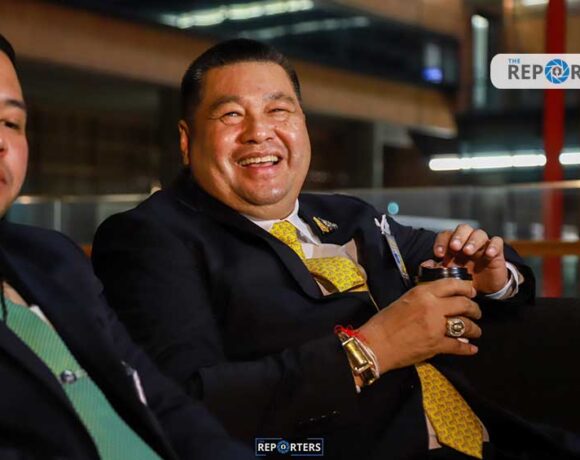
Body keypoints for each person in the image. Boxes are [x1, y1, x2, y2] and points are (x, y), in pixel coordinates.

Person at [92, 39, 580, 459]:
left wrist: (493, 277)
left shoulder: (351, 216)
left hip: (494, 437)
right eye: (231, 114)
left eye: (278, 110)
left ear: (302, 125)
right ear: (186, 140)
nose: (259, 131)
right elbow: (186, 404)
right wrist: (371, 350)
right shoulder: (150, 238)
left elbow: (499, 273)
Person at [0, 33, 251, 460]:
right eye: (230, 115)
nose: (2, 141)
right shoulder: (153, 237)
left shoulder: (53, 259)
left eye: (11, 123)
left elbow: (162, 402)